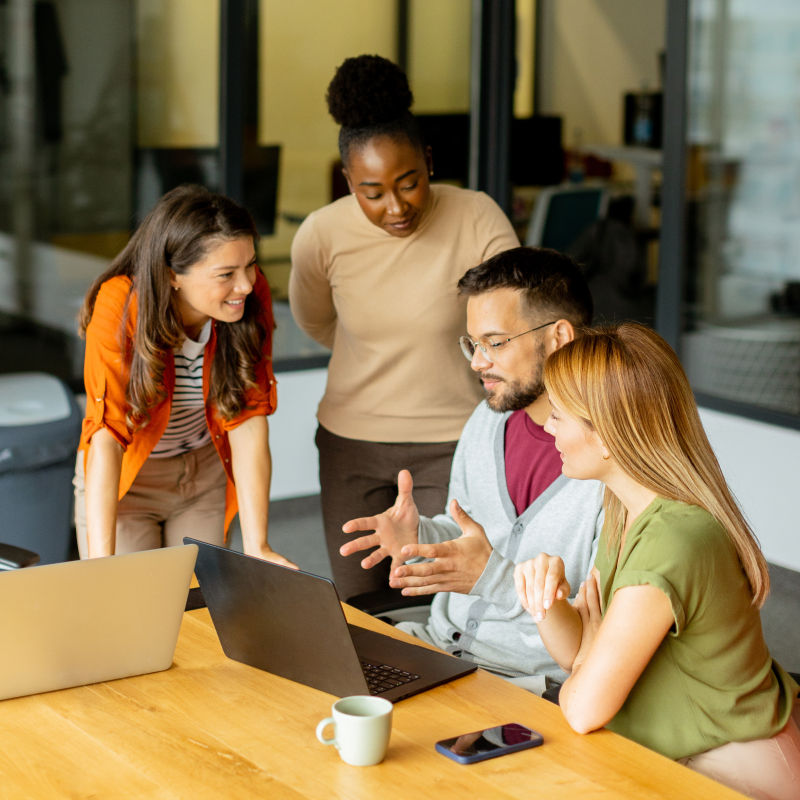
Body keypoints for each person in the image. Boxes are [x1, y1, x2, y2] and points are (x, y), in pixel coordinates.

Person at [514, 322, 800, 800]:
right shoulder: (624, 508)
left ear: (606, 435)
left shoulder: (674, 539)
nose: (548, 427)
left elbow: (584, 705)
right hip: (670, 753)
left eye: (559, 414)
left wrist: (589, 650)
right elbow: (577, 654)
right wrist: (544, 601)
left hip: (733, 770)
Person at [289, 54, 519, 606]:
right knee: (364, 607)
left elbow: (516, 321)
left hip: (455, 441)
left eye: (409, 183)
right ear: (348, 181)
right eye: (372, 192)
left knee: (445, 602)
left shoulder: (477, 216)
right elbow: (318, 321)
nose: (395, 206)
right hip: (351, 445)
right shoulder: (320, 235)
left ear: (430, 162)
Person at [340, 247, 604, 694]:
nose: (477, 361)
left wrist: (493, 578)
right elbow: (471, 540)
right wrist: (423, 536)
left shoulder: (612, 464)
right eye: (473, 343)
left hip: (529, 685)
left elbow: (602, 633)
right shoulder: (487, 421)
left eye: (495, 342)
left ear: (559, 337)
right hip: (435, 649)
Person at [74, 184, 295, 566]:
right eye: (226, 273)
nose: (245, 285)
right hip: (129, 481)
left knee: (198, 606)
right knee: (132, 610)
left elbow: (247, 419)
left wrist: (258, 546)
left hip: (202, 475)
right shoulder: (120, 304)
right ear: (172, 274)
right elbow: (106, 435)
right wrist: (100, 564)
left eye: (250, 264)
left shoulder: (248, 297)